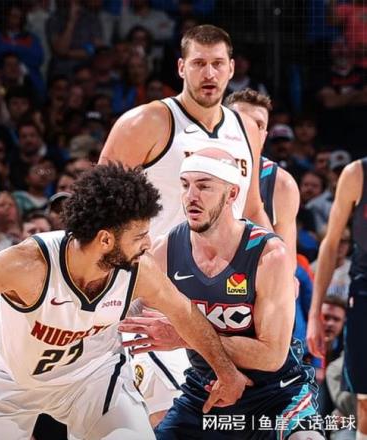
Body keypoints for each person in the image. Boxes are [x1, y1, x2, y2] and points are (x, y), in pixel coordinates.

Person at [0, 164, 251, 440]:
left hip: (92, 381)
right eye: (140, 236)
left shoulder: (138, 270)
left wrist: (226, 371)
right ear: (105, 240)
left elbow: (185, 313)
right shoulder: (29, 264)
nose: (148, 244)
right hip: (8, 383)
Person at [99, 25, 270, 423]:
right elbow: (98, 205)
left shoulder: (245, 128)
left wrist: (277, 267)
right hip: (158, 295)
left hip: (227, 297)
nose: (209, 74)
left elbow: (253, 208)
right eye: (198, 63)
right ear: (181, 67)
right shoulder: (146, 122)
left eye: (217, 64)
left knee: (224, 416)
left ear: (232, 69)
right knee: (169, 414)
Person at [121, 149, 324, 439]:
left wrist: (185, 335)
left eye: (204, 186)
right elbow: (122, 307)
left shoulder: (269, 254)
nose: (191, 196)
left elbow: (271, 356)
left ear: (231, 194)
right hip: (205, 391)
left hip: (275, 396)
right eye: (185, 185)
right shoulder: (167, 248)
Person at [307, 157, 367, 439]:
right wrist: (314, 314)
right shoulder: (357, 174)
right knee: (364, 404)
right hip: (363, 295)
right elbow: (330, 244)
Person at [225, 88, 300, 262]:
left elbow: (286, 264)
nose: (250, 130)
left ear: (265, 136)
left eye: (258, 125)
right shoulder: (195, 167)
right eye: (241, 122)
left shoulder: (281, 184)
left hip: (253, 274)